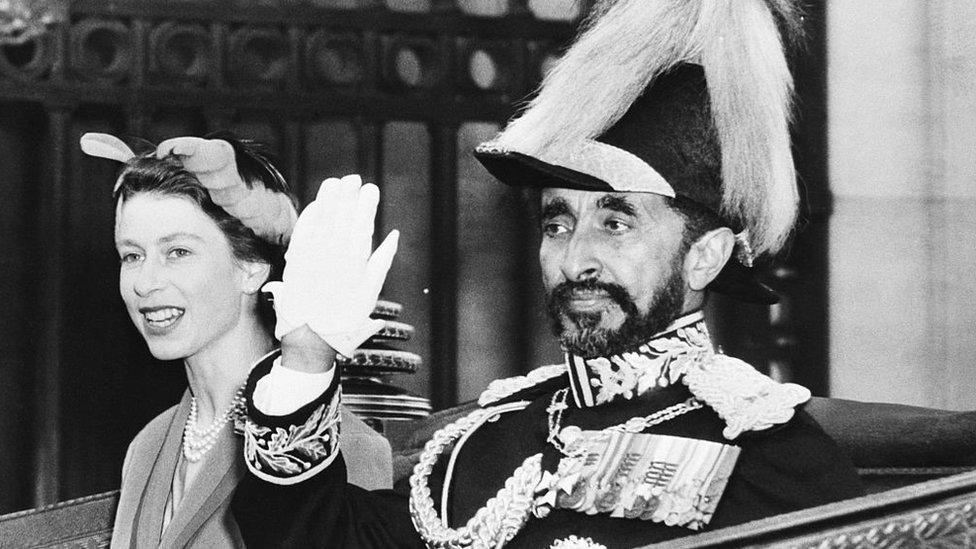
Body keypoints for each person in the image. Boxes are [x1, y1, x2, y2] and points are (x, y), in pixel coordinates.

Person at [230, 0, 865, 547]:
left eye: (616, 224)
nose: (574, 257)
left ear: (706, 255)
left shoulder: (775, 460)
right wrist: (305, 357)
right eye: (558, 224)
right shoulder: (485, 445)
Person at [79, 132, 394, 548]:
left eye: (177, 252)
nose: (145, 283)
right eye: (132, 256)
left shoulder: (345, 448)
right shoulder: (148, 447)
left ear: (251, 267)